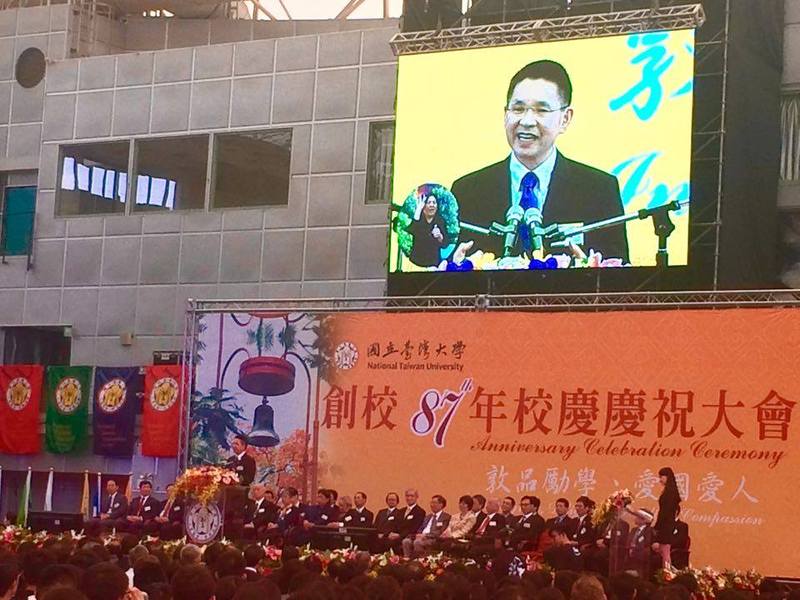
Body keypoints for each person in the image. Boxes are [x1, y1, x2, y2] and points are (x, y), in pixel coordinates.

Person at [450, 59, 629, 263]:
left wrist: (588, 269)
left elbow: (620, 271)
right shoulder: (467, 192)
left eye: (541, 110)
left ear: (565, 119)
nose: (526, 121)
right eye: (518, 109)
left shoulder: (598, 190)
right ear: (505, 114)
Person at [408, 187, 454, 267]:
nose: (432, 205)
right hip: (416, 261)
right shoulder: (418, 217)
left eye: (434, 203)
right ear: (424, 205)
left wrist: (440, 236)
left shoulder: (440, 221)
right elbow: (412, 230)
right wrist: (418, 209)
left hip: (433, 263)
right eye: (429, 202)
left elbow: (445, 244)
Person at [653, 466, 682, 568]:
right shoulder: (668, 491)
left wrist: (657, 525)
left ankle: (667, 572)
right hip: (665, 524)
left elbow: (665, 511)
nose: (660, 480)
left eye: (661, 477)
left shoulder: (670, 492)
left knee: (665, 551)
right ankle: (666, 571)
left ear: (667, 477)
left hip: (666, 525)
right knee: (663, 551)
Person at [625, 507, 655, 579]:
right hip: (628, 561)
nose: (635, 518)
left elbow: (646, 548)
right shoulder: (633, 530)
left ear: (644, 520)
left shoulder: (649, 531)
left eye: (638, 517)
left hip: (640, 564)